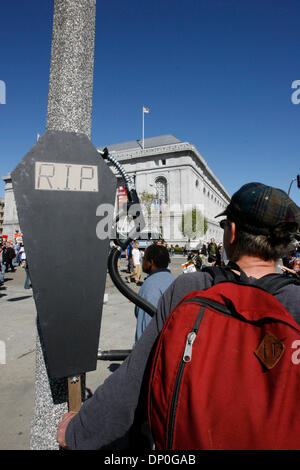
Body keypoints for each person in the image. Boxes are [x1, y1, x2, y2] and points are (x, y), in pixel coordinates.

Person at [57, 182, 300, 450]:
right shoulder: (296, 301)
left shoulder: (192, 287)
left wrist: (78, 431)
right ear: (284, 245)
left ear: (232, 233)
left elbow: (135, 378)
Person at [134, 244, 175, 343]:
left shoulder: (151, 286)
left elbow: (145, 328)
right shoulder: (172, 280)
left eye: (144, 259)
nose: (142, 261)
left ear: (151, 262)